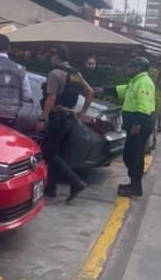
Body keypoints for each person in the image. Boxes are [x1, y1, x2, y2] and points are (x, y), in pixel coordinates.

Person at [36, 44, 94, 203]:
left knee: (49, 153)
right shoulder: (75, 73)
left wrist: (42, 118)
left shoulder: (55, 73)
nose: (51, 60)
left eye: (52, 57)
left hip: (57, 118)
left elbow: (51, 98)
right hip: (70, 118)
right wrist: (82, 112)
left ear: (56, 57)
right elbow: (90, 92)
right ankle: (51, 189)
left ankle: (76, 182)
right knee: (57, 154)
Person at [100, 57, 156, 197]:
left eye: (132, 67)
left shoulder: (144, 82)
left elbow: (144, 105)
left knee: (134, 155)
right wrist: (103, 89)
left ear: (138, 68)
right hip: (135, 124)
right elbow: (122, 90)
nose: (129, 69)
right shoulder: (135, 82)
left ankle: (135, 186)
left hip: (139, 124)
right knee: (130, 154)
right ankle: (133, 183)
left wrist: (137, 123)